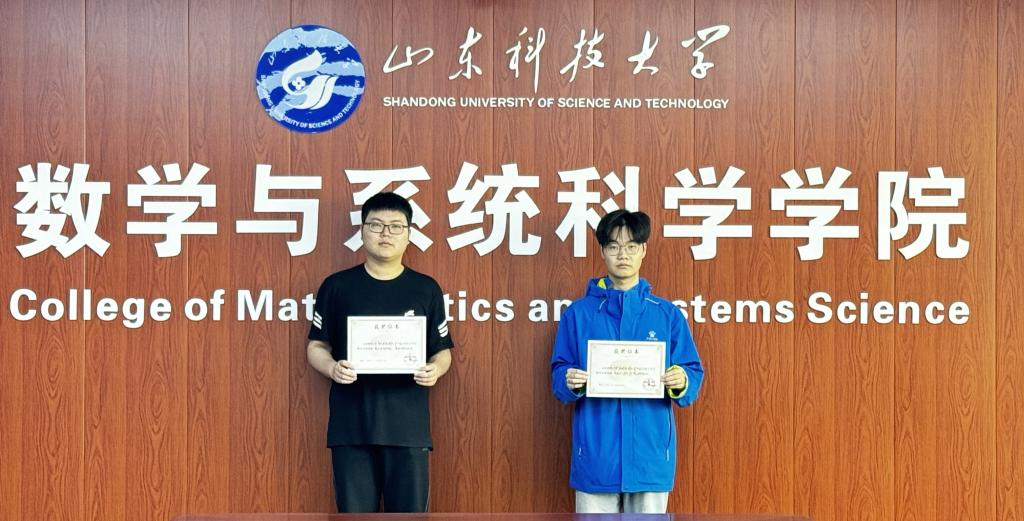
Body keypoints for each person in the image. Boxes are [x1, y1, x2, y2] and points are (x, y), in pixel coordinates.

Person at [307, 192, 453, 513]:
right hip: (352, 427)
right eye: (376, 225)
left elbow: (443, 352)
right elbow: (316, 346)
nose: (385, 233)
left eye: (395, 226)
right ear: (362, 231)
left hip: (408, 428)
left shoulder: (426, 288)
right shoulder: (336, 286)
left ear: (408, 234)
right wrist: (332, 368)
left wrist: (435, 369)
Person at [550, 209, 704, 513]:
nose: (623, 255)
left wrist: (681, 380)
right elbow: (558, 374)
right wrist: (569, 380)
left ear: (643, 250)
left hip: (649, 455)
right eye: (614, 246)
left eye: (631, 246)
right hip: (595, 456)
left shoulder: (666, 314)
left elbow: (692, 371)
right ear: (602, 251)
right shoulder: (578, 314)